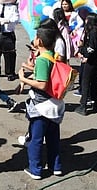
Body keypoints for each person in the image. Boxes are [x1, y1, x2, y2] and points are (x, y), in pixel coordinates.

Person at [18, 26, 64, 180]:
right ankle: (55, 166)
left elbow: (42, 84)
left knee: (35, 139)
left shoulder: (43, 59)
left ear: (40, 41)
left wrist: (23, 79)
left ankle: (35, 169)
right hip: (54, 103)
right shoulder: (53, 55)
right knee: (53, 139)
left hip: (42, 106)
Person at [75, 13, 97, 115]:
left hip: (91, 61)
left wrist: (83, 52)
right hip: (96, 60)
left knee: (85, 82)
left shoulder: (93, 32)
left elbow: (91, 48)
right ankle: (95, 104)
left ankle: (83, 105)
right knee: (94, 82)